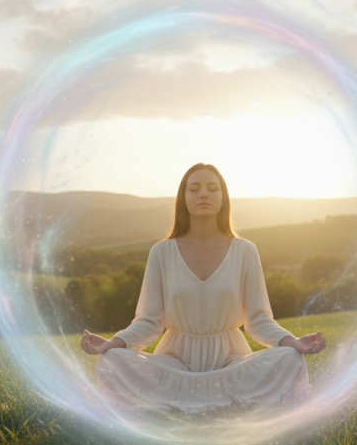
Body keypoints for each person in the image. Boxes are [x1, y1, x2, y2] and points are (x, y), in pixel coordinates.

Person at [80, 163, 326, 413]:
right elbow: (149, 322)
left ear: (223, 198)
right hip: (175, 364)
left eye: (212, 189)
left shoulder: (245, 251)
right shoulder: (162, 252)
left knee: (289, 359)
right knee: (110, 362)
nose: (204, 195)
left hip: (230, 364)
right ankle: (214, 401)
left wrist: (292, 342)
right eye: (194, 189)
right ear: (183, 200)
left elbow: (258, 320)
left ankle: (185, 402)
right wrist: (114, 343)